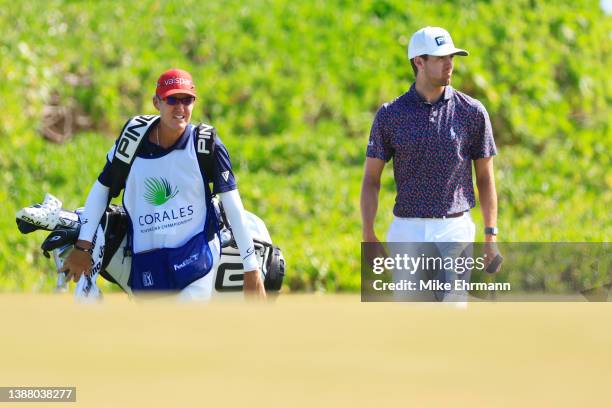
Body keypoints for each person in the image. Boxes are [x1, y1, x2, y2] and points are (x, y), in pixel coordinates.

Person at [62, 68, 266, 300]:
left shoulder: (206, 144)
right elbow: (103, 189)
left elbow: (233, 206)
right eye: (172, 100)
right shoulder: (133, 140)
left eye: (187, 100)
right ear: (156, 102)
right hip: (147, 260)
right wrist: (83, 248)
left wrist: (251, 268)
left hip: (196, 257)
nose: (180, 108)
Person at [360, 27, 499, 301]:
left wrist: (490, 234)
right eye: (440, 57)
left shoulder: (471, 112)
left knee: (451, 317)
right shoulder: (391, 114)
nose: (449, 64)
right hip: (407, 230)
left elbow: (485, 177)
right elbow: (371, 179)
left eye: (451, 56)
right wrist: (368, 232)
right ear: (418, 62)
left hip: (455, 228)